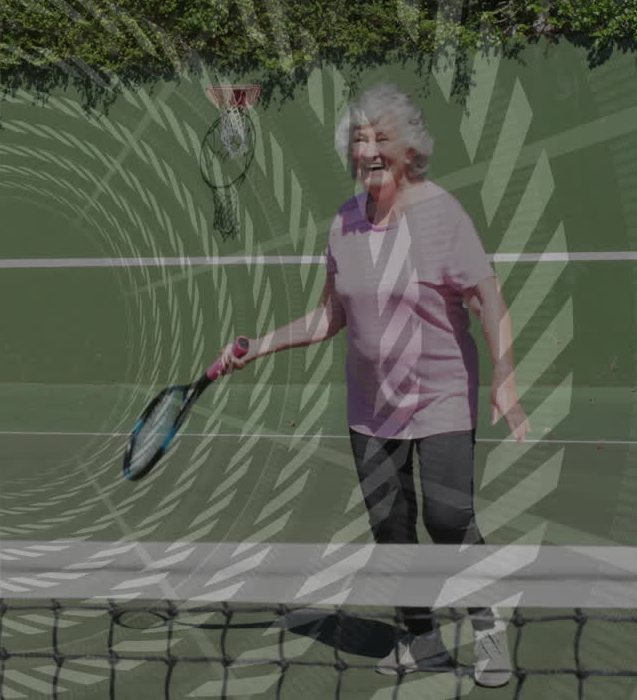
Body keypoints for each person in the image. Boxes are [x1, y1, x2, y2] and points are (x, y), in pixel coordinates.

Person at [214, 84, 528, 688]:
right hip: (370, 408)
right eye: (359, 139)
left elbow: (488, 299)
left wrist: (505, 378)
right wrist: (258, 345)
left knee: (448, 518)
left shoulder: (443, 216)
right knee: (391, 529)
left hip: (440, 398)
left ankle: (488, 627)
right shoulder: (344, 223)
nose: (368, 150)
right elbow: (329, 315)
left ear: (410, 148)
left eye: (382, 137)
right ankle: (420, 636)